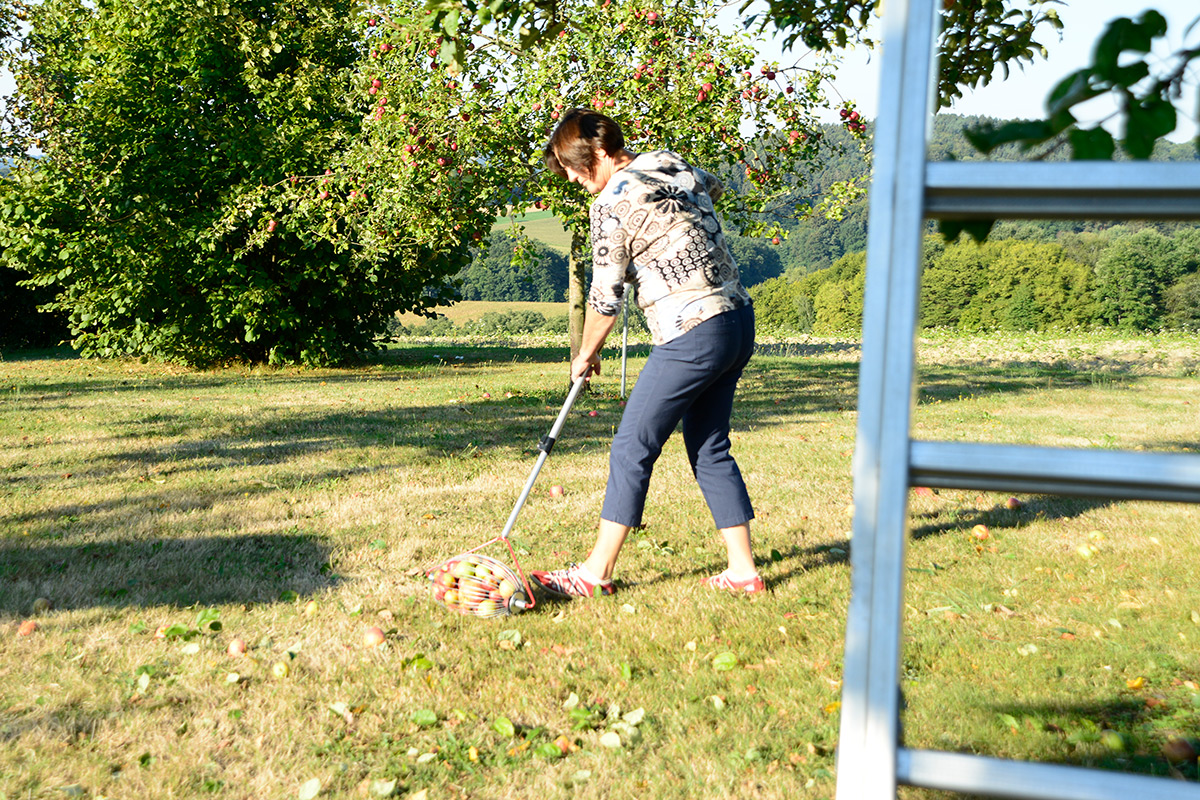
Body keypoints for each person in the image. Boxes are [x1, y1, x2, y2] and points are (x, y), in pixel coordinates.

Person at [529, 108, 762, 599]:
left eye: (573, 165)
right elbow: (712, 189)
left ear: (599, 151)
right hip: (736, 319)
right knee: (709, 445)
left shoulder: (610, 201)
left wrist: (585, 352)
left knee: (633, 445)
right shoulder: (668, 162)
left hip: (692, 331)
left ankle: (595, 573)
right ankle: (743, 571)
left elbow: (604, 295)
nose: (571, 177)